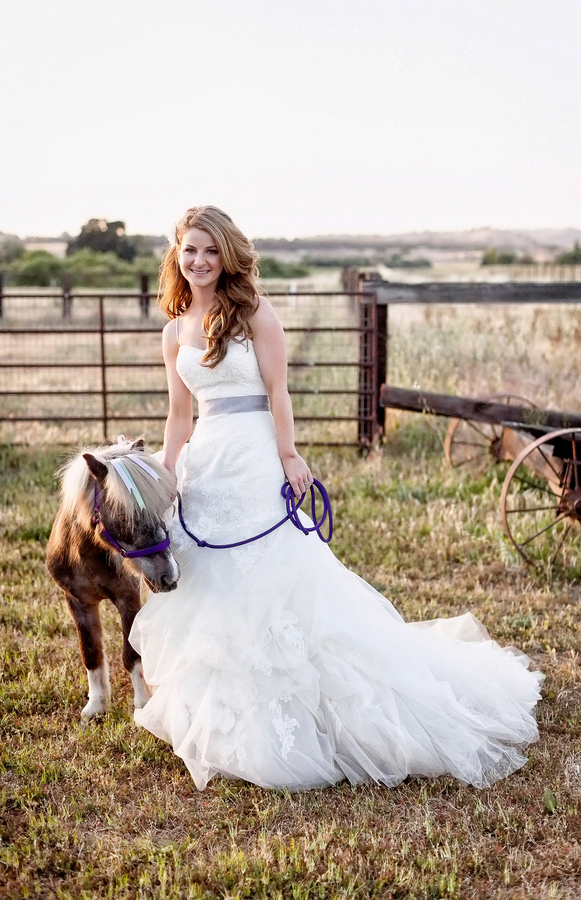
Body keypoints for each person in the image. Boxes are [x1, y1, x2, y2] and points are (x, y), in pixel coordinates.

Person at [129, 206, 543, 792]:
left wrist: (289, 454)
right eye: (189, 250)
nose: (198, 261)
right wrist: (166, 474)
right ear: (177, 255)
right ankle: (226, 715)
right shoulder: (173, 331)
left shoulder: (253, 314)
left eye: (210, 251)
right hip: (208, 460)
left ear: (227, 256)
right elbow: (178, 414)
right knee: (208, 582)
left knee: (275, 577)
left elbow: (278, 392)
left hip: (254, 456)